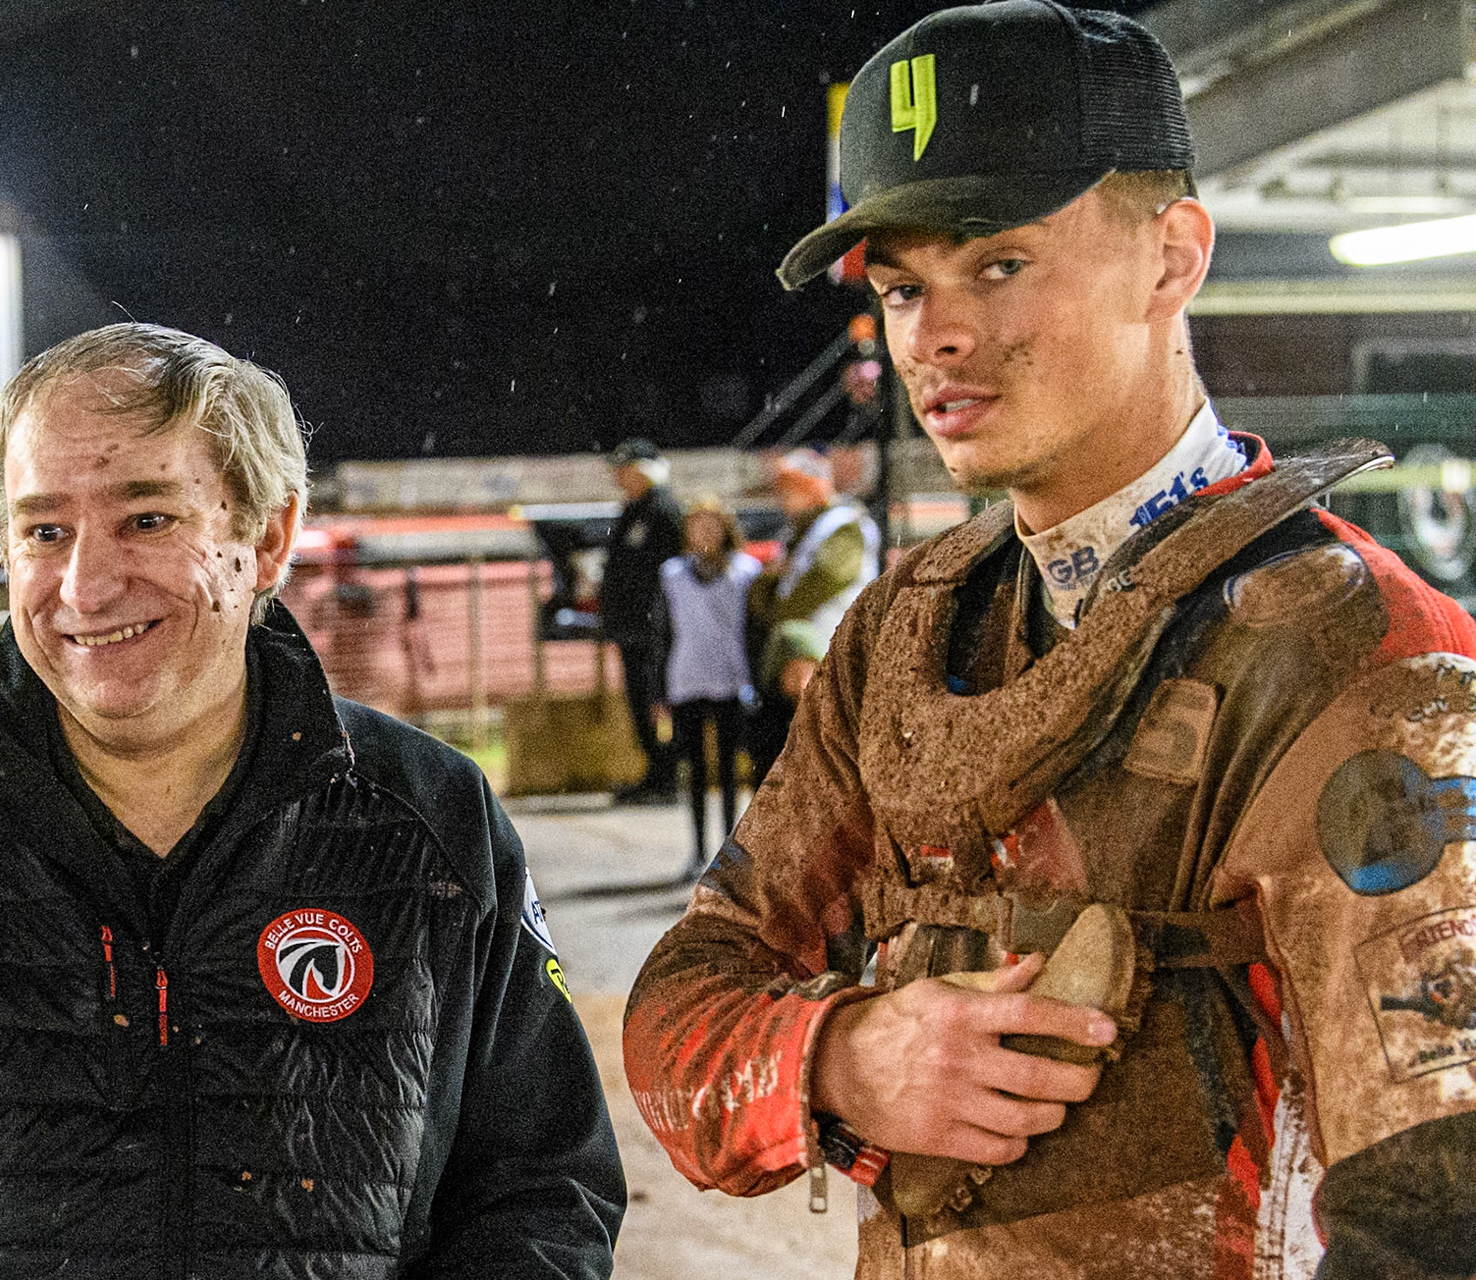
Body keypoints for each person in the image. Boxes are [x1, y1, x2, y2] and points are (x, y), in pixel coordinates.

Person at [623, 4, 1476, 1275]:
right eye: (904, 287)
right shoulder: (899, 638)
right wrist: (845, 1058)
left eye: (999, 264)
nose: (935, 335)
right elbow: (679, 1010)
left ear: (1173, 256)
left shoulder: (1363, 660)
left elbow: (1438, 1216)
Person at [0, 323, 625, 1276]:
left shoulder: (430, 818)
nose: (85, 583)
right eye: (44, 530)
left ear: (268, 533)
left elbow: (544, 1186)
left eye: (147, 518)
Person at [743, 449, 879, 783]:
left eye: (790, 490)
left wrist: (776, 598)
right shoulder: (797, 533)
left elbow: (813, 588)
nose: (783, 500)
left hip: (830, 654)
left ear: (810, 488)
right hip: (798, 658)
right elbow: (761, 596)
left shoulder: (844, 527)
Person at [660, 496, 761, 875]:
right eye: (697, 523)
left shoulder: (746, 571)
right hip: (686, 678)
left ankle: (730, 848)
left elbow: (754, 630)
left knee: (731, 771)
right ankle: (698, 850)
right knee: (696, 770)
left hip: (732, 679)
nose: (705, 531)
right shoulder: (671, 574)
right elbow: (663, 633)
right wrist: (659, 690)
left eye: (712, 523)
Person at [599, 437, 685, 804]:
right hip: (632, 625)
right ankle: (655, 771)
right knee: (641, 700)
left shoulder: (663, 510)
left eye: (625, 470)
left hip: (652, 628)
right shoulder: (634, 510)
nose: (620, 478)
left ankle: (665, 776)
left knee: (656, 700)